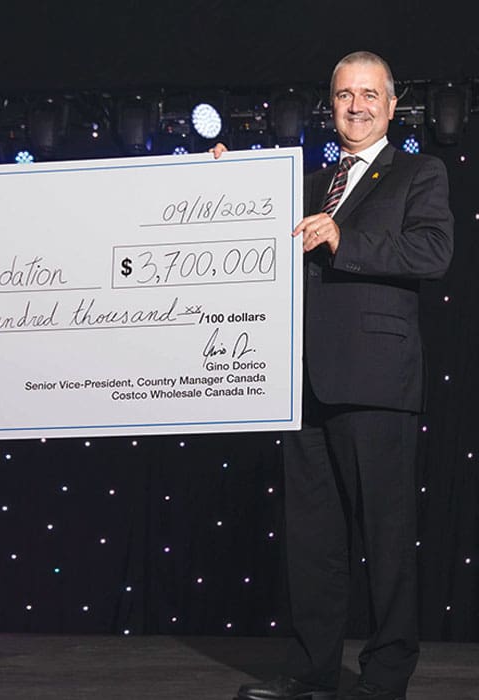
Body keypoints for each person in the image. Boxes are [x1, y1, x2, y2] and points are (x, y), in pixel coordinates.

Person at [236, 52, 454, 700]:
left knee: (387, 543)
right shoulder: (306, 180)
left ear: (391, 106)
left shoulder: (419, 172)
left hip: (379, 383)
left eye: (367, 94)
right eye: (342, 95)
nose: (354, 106)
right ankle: (312, 671)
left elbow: (434, 251)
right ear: (329, 105)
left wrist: (343, 239)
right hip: (303, 383)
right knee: (313, 544)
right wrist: (221, 181)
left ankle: (385, 678)